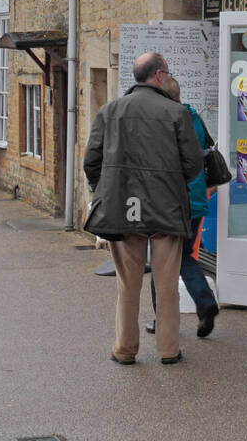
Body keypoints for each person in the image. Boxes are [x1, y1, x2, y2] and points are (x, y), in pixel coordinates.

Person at [84, 52, 203, 365]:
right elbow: (193, 165)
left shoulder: (109, 111)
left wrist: (108, 188)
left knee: (128, 284)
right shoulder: (177, 113)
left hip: (122, 208)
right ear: (160, 75)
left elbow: (91, 163)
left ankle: (125, 349)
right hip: (165, 207)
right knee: (166, 286)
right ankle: (168, 350)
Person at [143, 76, 219, 339]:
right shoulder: (194, 117)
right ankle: (205, 301)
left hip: (170, 202)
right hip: (196, 200)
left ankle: (161, 318)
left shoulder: (166, 122)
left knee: (161, 259)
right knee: (185, 255)